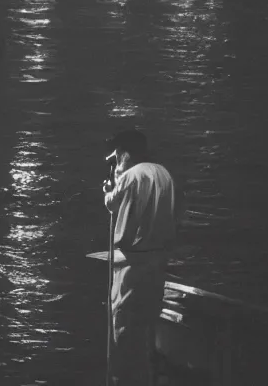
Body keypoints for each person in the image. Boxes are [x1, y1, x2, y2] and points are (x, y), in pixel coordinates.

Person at [103, 129, 176, 386]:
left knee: (123, 327)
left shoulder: (130, 176)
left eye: (117, 157)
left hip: (131, 266)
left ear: (125, 154)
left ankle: (121, 380)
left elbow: (113, 204)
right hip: (158, 263)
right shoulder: (165, 174)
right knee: (148, 324)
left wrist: (111, 184)